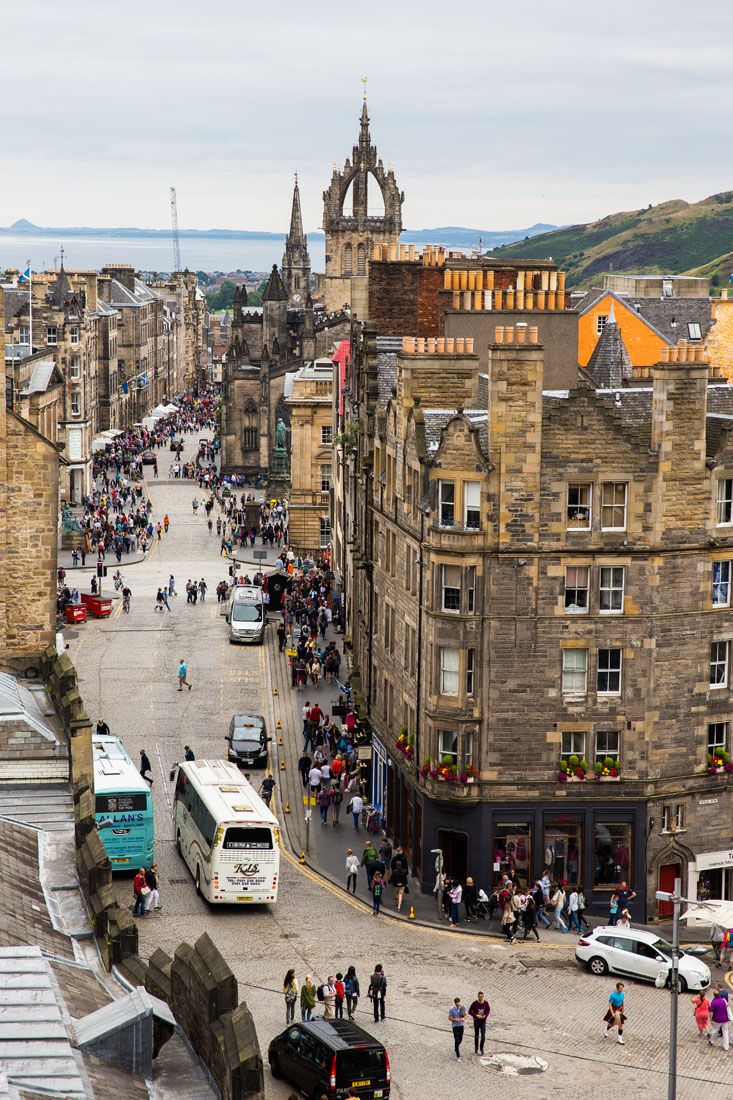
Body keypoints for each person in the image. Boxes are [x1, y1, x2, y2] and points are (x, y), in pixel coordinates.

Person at [448, 997, 468, 1061]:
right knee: (457, 1040)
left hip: (461, 1025)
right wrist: (454, 1019)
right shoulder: (451, 1009)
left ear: (460, 1002)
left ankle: (456, 1048)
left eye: (458, 1004)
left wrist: (463, 1018)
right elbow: (449, 1018)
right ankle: (458, 1056)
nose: (458, 1005)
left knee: (460, 1040)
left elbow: (466, 1015)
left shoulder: (463, 1007)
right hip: (455, 1026)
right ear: (455, 1003)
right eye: (456, 1004)